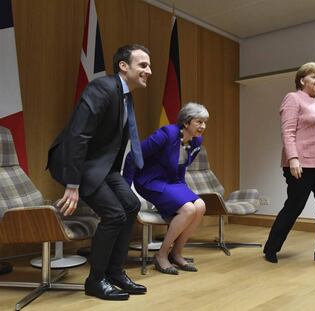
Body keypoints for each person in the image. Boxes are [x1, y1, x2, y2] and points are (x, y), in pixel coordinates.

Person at [47, 44, 152, 300]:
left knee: (129, 205)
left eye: (149, 66)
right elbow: (78, 136)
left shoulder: (124, 94)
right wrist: (73, 184)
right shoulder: (102, 88)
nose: (149, 70)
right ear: (123, 66)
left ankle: (115, 273)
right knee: (114, 215)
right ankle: (95, 281)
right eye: (143, 65)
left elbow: (112, 142)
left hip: (100, 165)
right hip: (76, 162)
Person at [263, 62, 315, 264]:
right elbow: (288, 131)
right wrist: (293, 159)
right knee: (294, 207)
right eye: (314, 76)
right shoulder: (293, 98)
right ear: (302, 80)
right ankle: (271, 248)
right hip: (301, 164)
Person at [123, 103, 208, 275]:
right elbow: (133, 155)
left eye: (205, 122)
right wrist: (124, 189)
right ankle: (161, 255)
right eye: (199, 122)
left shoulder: (197, 141)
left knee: (200, 206)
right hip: (150, 181)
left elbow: (181, 166)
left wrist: (182, 190)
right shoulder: (166, 134)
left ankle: (176, 253)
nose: (203, 126)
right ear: (186, 123)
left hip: (172, 182)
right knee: (188, 209)